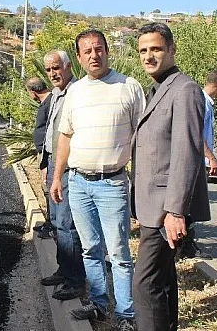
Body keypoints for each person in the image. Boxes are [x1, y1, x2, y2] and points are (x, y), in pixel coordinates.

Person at [51, 29, 144, 331]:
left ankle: (126, 315)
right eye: (87, 51)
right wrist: (57, 177)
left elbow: (142, 139)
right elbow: (65, 136)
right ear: (78, 58)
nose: (94, 55)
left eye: (99, 48)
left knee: (118, 253)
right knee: (90, 249)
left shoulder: (128, 87)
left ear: (107, 51)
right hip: (78, 183)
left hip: (112, 183)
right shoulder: (75, 92)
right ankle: (99, 304)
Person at [131, 22, 210, 331]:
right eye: (143, 50)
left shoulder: (185, 89)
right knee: (161, 280)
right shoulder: (157, 90)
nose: (149, 56)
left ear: (172, 50)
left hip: (166, 209)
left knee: (145, 283)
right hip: (154, 206)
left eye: (156, 49)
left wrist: (176, 211)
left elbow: (187, 153)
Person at [38, 50, 86, 301]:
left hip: (67, 168)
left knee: (68, 224)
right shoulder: (56, 95)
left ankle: (75, 279)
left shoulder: (77, 93)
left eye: (56, 67)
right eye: (48, 70)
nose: (52, 73)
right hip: (53, 166)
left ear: (68, 66)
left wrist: (59, 167)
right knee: (56, 223)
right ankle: (63, 269)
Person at [179, 70, 217, 261]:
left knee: (192, 205)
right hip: (196, 159)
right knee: (190, 205)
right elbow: (196, 133)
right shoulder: (202, 102)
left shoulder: (204, 101)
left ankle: (186, 245)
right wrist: (211, 158)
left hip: (198, 159)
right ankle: (184, 246)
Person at [24, 77, 54, 239]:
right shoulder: (47, 103)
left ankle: (52, 225)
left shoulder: (51, 103)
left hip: (49, 154)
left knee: (49, 189)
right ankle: (50, 222)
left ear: (33, 92)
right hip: (44, 153)